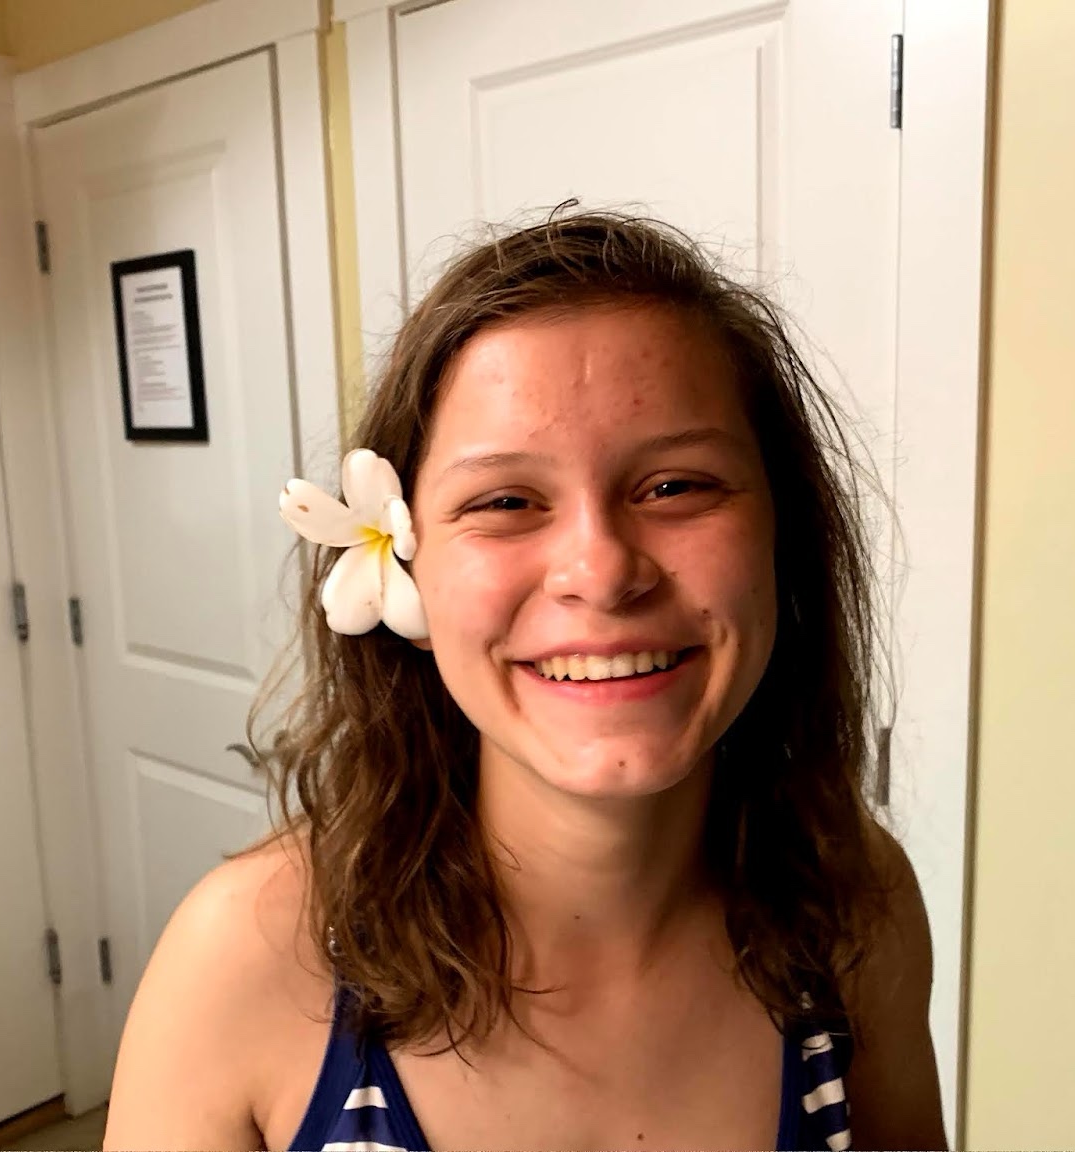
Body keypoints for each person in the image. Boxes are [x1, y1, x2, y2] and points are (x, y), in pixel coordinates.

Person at [102, 211, 946, 1151]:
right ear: (406, 569)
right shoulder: (245, 959)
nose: (602, 571)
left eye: (676, 486)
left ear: (783, 537)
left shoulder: (853, 908)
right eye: (505, 501)